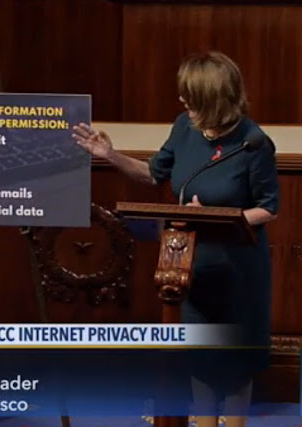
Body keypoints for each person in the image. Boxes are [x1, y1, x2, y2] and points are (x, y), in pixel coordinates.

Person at [72, 51, 279, 427]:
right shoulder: (185, 127)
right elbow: (153, 173)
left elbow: (268, 208)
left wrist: (217, 217)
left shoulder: (253, 143)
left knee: (234, 367)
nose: (182, 100)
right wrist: (109, 154)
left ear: (213, 98)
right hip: (193, 266)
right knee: (200, 362)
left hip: (238, 270)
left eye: (190, 95)